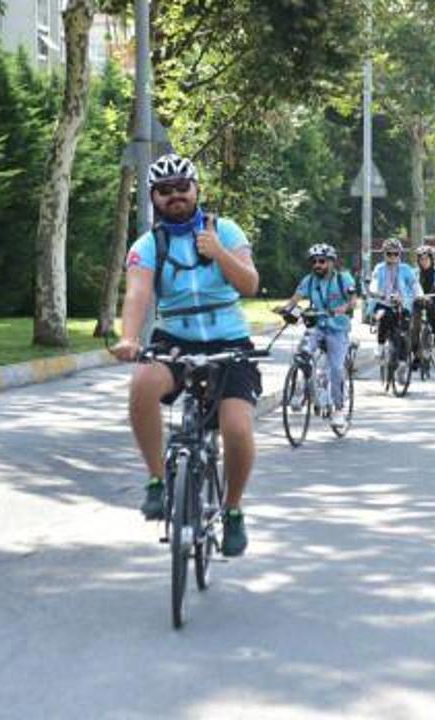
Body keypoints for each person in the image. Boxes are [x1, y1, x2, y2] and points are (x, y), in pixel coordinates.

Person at [109, 153, 260, 557]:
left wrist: (219, 252)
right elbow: (138, 293)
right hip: (174, 340)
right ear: (154, 197)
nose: (175, 195)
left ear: (196, 190)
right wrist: (128, 338)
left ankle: (232, 511)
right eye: (165, 190)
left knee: (236, 428)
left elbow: (250, 284)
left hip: (230, 342)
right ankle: (158, 480)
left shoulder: (225, 230)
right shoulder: (148, 244)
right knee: (142, 384)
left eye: (182, 187)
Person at [278, 244, 356, 429]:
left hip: (337, 329)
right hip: (317, 326)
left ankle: (338, 410)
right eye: (314, 261)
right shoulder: (309, 280)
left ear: (331, 262)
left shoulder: (343, 278)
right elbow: (295, 300)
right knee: (301, 353)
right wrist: (286, 310)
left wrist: (342, 309)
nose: (317, 265)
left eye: (322, 261)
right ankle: (300, 390)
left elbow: (353, 300)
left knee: (336, 368)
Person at [370, 238, 420, 357]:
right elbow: (374, 281)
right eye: (389, 253)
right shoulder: (379, 268)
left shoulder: (406, 268)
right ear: (384, 254)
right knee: (383, 317)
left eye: (395, 253)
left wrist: (418, 295)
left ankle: (404, 362)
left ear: (400, 254)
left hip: (403, 304)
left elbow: (414, 284)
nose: (392, 256)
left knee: (404, 331)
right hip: (383, 303)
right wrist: (375, 291)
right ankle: (380, 346)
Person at [411, 245, 435, 359]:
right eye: (421, 259)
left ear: (431, 260)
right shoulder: (414, 272)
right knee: (414, 327)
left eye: (427, 259)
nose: (424, 262)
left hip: (434, 300)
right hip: (418, 301)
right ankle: (416, 355)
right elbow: (408, 285)